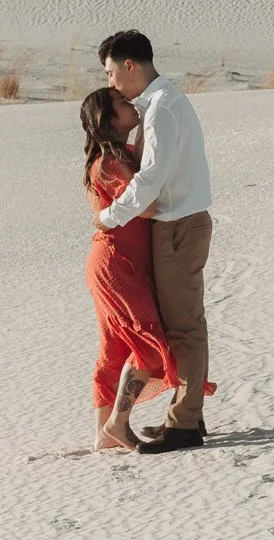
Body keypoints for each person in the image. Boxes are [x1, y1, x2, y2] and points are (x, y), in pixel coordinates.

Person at [94, 29, 213, 453]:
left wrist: (109, 216)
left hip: (178, 227)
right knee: (183, 324)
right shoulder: (163, 103)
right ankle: (187, 416)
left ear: (129, 65)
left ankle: (184, 425)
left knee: (184, 327)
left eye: (111, 73)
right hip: (178, 225)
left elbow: (151, 179)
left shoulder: (162, 107)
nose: (110, 83)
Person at [81, 86, 176, 451]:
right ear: (108, 119)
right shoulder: (108, 162)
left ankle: (103, 435)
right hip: (115, 264)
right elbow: (145, 206)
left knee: (115, 349)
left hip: (117, 262)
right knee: (148, 347)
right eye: (122, 102)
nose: (130, 103)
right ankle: (117, 424)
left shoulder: (123, 155)